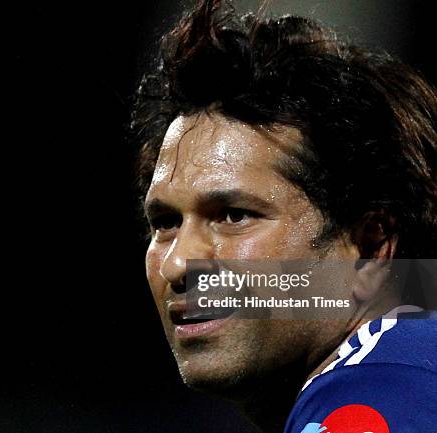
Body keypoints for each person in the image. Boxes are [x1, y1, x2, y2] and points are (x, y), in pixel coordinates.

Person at [132, 1, 437, 432]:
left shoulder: (373, 396)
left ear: (369, 248)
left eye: (234, 216)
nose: (178, 264)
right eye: (165, 223)